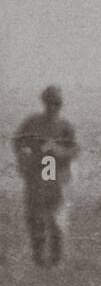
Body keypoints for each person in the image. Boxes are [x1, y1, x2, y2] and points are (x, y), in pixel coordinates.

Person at [12, 86, 79, 266]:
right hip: (35, 176)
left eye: (56, 103)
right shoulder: (32, 123)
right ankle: (39, 257)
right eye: (50, 102)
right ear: (44, 102)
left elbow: (74, 150)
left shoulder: (65, 127)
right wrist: (24, 156)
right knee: (34, 217)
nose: (53, 106)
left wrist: (58, 151)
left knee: (55, 218)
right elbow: (18, 142)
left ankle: (55, 259)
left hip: (56, 177)